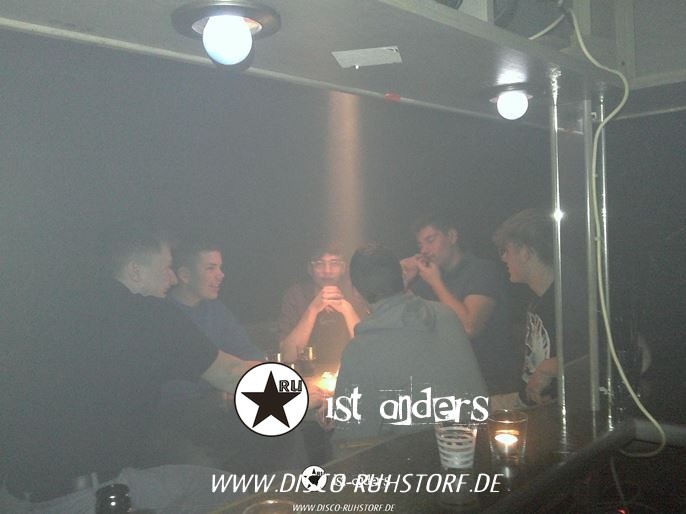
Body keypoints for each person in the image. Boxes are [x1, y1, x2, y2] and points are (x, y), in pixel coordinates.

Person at [1, 224, 260, 513]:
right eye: (167, 267)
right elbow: (232, 374)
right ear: (135, 272)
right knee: (236, 494)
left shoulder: (53, 310)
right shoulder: (151, 315)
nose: (173, 277)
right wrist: (296, 390)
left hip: (12, 492)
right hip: (87, 497)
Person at [328, 244, 487, 450]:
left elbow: (349, 440)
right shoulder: (447, 315)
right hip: (479, 448)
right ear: (403, 279)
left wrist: (337, 416)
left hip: (421, 463)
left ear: (355, 292)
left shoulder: (361, 350)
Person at [401, 213, 519, 395]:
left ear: (451, 236)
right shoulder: (426, 280)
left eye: (430, 240)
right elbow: (402, 323)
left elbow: (469, 327)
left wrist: (436, 283)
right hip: (447, 384)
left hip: (491, 384)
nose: (424, 250)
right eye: (420, 245)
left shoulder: (482, 271)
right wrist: (404, 281)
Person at [491, 208, 587, 408]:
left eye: (506, 251)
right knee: (459, 410)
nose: (503, 258)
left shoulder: (571, 298)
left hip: (553, 412)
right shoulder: (537, 300)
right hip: (526, 404)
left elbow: (611, 353)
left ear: (526, 251)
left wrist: (553, 366)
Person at [162, 239, 263, 402]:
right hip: (179, 408)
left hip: (222, 401)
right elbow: (176, 385)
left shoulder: (215, 309)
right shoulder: (164, 315)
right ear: (185, 275)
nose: (221, 275)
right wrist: (224, 387)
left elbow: (247, 351)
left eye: (220, 267)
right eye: (211, 268)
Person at [278, 241, 368, 367]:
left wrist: (347, 310)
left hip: (350, 371)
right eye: (319, 263)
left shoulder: (356, 293)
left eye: (334, 263)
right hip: (306, 373)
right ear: (310, 269)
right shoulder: (296, 295)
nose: (327, 271)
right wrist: (313, 309)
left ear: (343, 268)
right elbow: (288, 356)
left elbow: (369, 351)